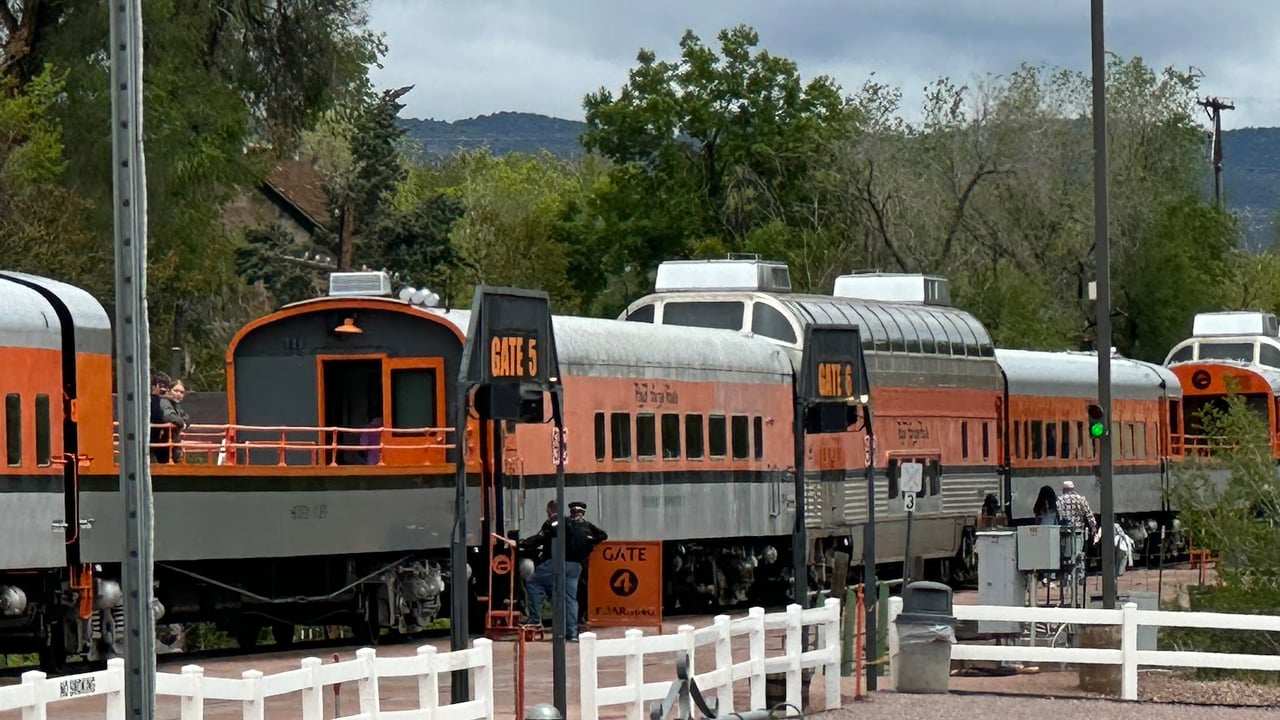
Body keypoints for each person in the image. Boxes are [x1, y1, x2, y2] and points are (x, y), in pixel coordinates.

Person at [518, 499, 606, 641]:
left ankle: (535, 618)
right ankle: (571, 634)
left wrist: (522, 543)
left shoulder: (562, 523)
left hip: (560, 563)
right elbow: (603, 535)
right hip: (577, 566)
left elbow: (543, 536)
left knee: (533, 581)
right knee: (570, 599)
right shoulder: (587, 526)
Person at [568, 501, 608, 626]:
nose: (576, 514)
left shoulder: (588, 526)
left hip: (583, 563)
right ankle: (572, 619)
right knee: (571, 592)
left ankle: (581, 616)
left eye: (579, 512)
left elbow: (603, 535)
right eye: (574, 512)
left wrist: (591, 542)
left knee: (582, 591)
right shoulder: (568, 525)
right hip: (570, 561)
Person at [159, 380, 191, 462]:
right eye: (176, 391)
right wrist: (182, 422)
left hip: (173, 444)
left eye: (182, 392)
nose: (179, 394)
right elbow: (169, 416)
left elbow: (187, 418)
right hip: (163, 444)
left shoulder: (176, 405)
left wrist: (182, 422)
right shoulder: (164, 402)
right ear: (169, 390)